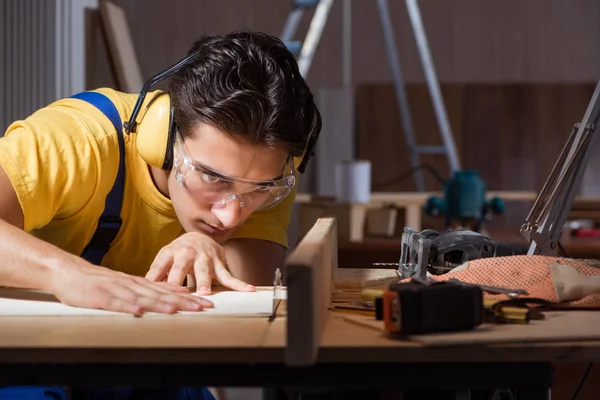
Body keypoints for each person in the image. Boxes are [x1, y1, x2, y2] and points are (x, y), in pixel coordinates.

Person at [0, 30, 322, 399]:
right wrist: (68, 274)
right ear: (162, 138)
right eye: (212, 178)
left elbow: (252, 288)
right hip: (23, 356)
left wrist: (207, 246)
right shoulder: (79, 141)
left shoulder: (267, 170)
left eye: (258, 190)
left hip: (139, 362)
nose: (232, 215)